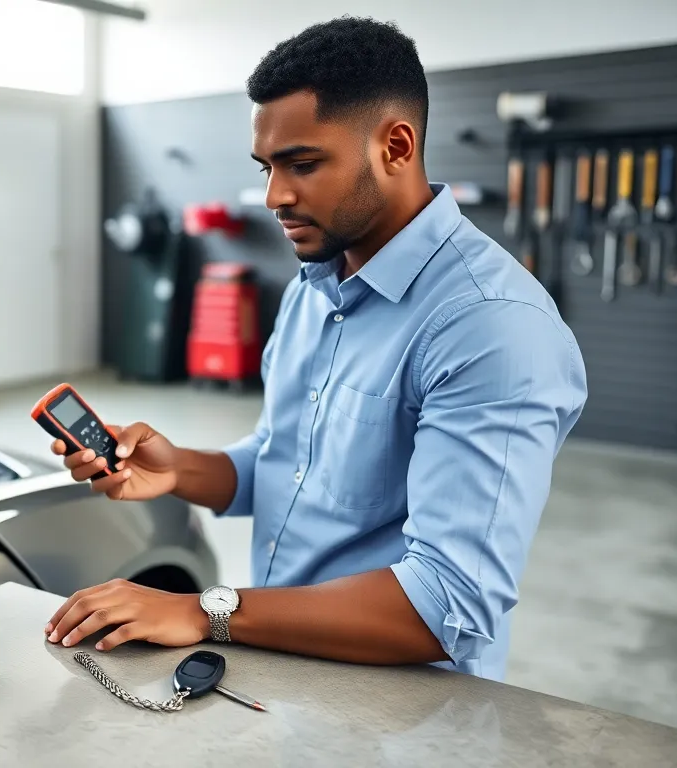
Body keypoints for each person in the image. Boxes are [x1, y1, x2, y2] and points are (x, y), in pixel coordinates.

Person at [43, 16, 588, 681]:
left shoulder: (491, 327)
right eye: (267, 167)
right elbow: (287, 464)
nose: (275, 196)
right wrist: (178, 469)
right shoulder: (314, 286)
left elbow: (450, 603)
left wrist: (205, 610)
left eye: (302, 164)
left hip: (403, 710)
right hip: (283, 669)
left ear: (395, 146)